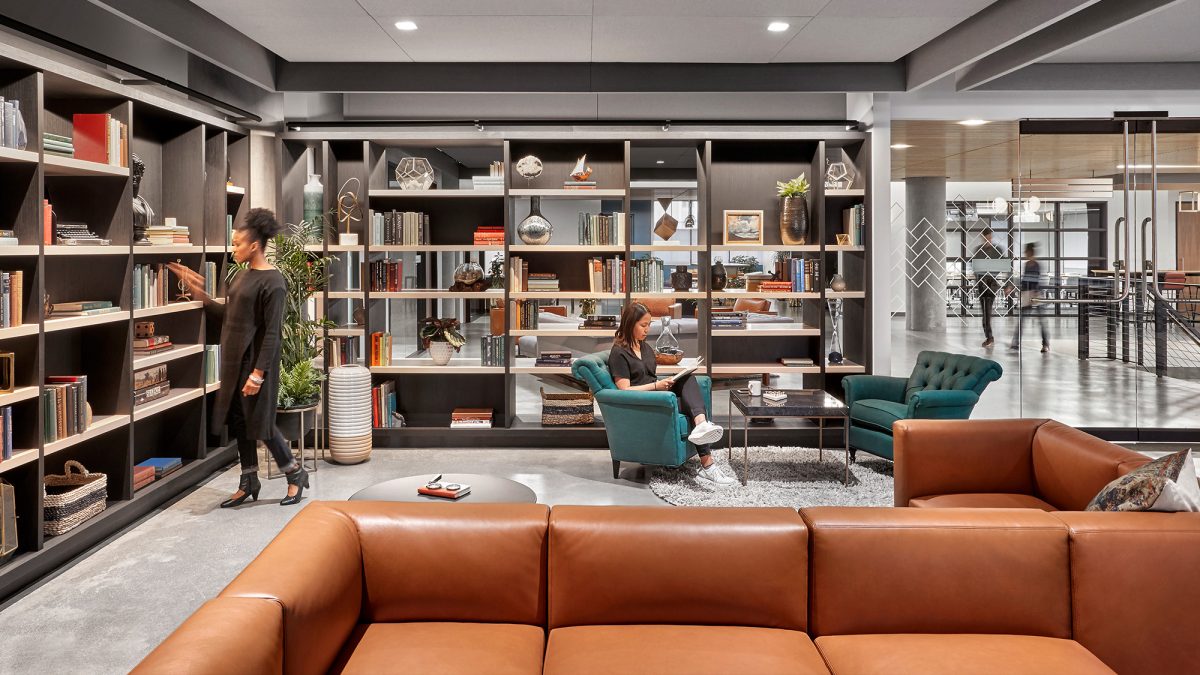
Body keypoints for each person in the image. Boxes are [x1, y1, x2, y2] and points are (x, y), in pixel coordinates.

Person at [168, 209, 310, 507]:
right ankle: (249, 480)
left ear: (254, 245)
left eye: (237, 244)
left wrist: (258, 374)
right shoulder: (242, 277)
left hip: (255, 366)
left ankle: (294, 472)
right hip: (233, 365)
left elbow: (272, 334)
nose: (234, 249)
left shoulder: (274, 282)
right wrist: (201, 296)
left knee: (262, 425)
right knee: (241, 424)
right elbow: (229, 317)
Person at [608, 303, 734, 486]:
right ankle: (708, 465)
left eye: (649, 324)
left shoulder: (644, 347)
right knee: (691, 406)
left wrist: (666, 383)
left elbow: (649, 375)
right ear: (629, 324)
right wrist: (657, 386)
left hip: (658, 394)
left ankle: (701, 424)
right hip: (644, 402)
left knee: (688, 379)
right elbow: (624, 390)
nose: (647, 329)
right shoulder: (619, 353)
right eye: (643, 325)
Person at [1010, 242, 1050, 353]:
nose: (1025, 254)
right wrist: (1019, 290)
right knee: (1022, 320)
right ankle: (1015, 343)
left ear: (1029, 252)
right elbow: (1025, 281)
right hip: (1028, 295)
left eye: (1026, 252)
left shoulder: (1036, 264)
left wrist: (1035, 293)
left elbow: (1038, 281)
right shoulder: (1027, 264)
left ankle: (1045, 344)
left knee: (1042, 321)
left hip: (1036, 295)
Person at [973, 228, 1004, 348]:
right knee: (985, 312)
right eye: (986, 237)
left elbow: (1003, 265)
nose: (988, 239)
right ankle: (989, 336)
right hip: (981, 283)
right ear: (983, 237)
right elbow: (975, 267)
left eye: (990, 237)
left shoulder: (997, 250)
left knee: (987, 311)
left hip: (991, 283)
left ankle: (989, 337)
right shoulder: (978, 250)